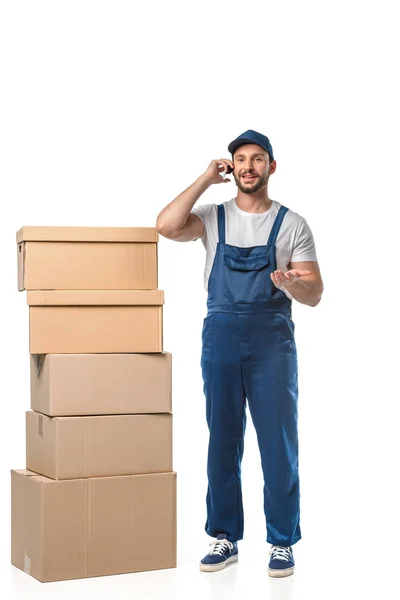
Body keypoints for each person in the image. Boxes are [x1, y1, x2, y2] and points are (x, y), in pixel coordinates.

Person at [156, 129, 323, 578]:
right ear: (232, 168)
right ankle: (225, 536)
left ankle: (282, 541)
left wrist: (294, 283)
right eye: (240, 159)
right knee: (223, 440)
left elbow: (315, 294)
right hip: (222, 337)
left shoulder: (292, 224)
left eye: (257, 158)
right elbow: (166, 225)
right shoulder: (213, 216)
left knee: (278, 443)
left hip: (273, 342)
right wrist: (204, 178)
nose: (248, 166)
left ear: (272, 166)